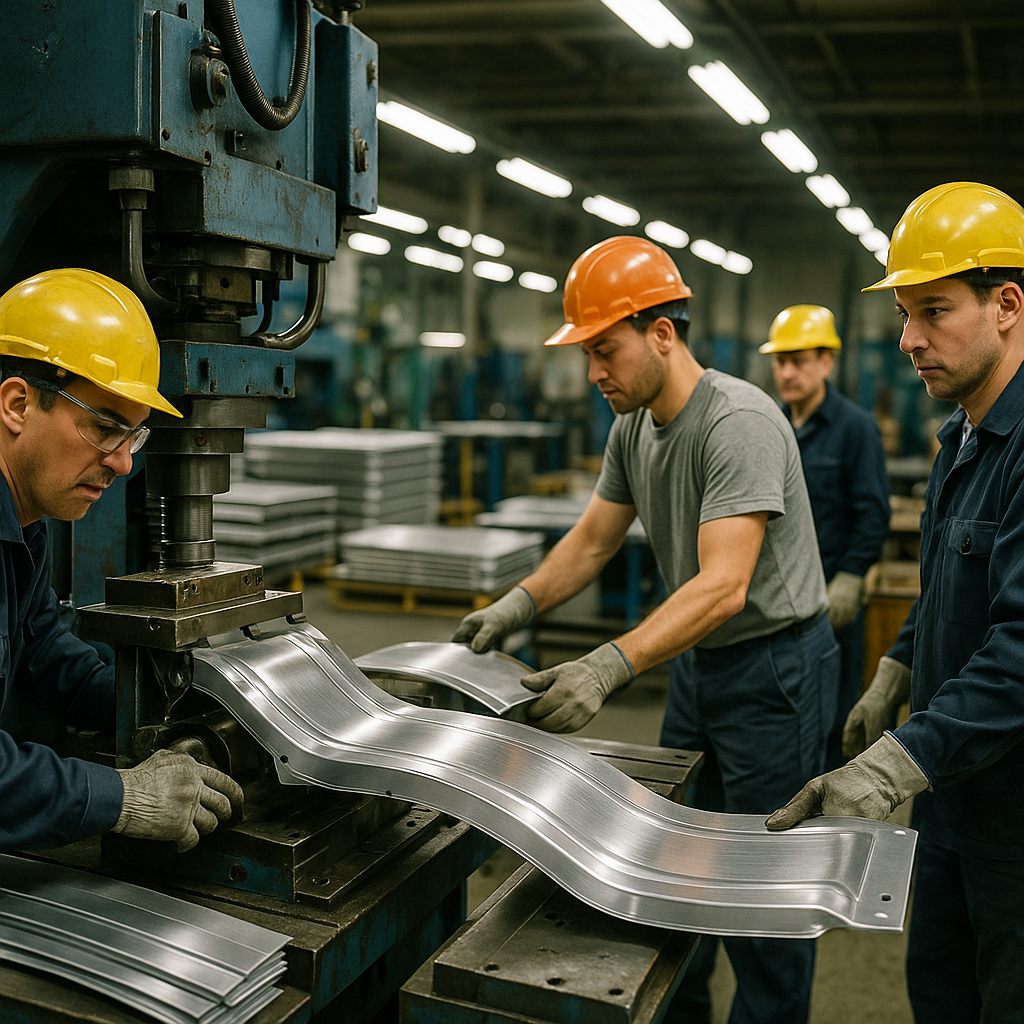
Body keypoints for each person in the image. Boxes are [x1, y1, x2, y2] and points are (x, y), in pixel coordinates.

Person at [454, 236, 839, 1024]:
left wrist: (605, 666)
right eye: (588, 353)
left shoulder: (739, 421)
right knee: (679, 866)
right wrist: (515, 606)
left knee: (762, 895)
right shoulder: (633, 427)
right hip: (700, 670)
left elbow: (725, 586)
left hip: (775, 673)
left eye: (605, 349)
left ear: (662, 333)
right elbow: (592, 541)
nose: (592, 372)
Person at [766, 181, 1024, 1024]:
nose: (910, 340)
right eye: (905, 313)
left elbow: (1020, 653)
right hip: (950, 796)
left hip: (1014, 824)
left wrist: (890, 765)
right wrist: (897, 668)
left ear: (1007, 305)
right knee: (940, 997)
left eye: (934, 311)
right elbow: (949, 582)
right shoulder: (961, 437)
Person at [0, 267, 242, 853]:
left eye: (134, 438)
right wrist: (121, 797)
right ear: (16, 404)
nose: (124, 464)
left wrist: (148, 708)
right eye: (106, 429)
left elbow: (37, 649)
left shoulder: (23, 519)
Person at [760, 305, 890, 769]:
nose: (788, 372)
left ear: (827, 362)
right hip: (777, 602)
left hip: (831, 603)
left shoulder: (855, 429)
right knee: (779, 721)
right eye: (781, 361)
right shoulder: (769, 426)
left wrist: (851, 578)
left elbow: (873, 512)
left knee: (832, 718)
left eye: (799, 360)